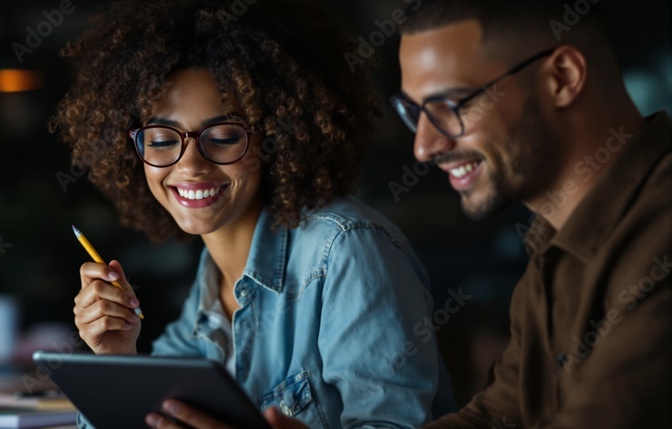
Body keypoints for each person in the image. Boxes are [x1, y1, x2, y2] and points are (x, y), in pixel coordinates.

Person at [50, 0, 456, 427]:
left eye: (224, 136)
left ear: (276, 138)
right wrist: (116, 359)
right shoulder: (208, 287)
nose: (190, 165)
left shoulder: (346, 250)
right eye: (162, 139)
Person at [388, 0, 671, 427]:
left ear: (562, 78)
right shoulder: (553, 244)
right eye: (416, 113)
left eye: (450, 105)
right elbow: (500, 414)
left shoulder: (660, 235)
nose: (424, 147)